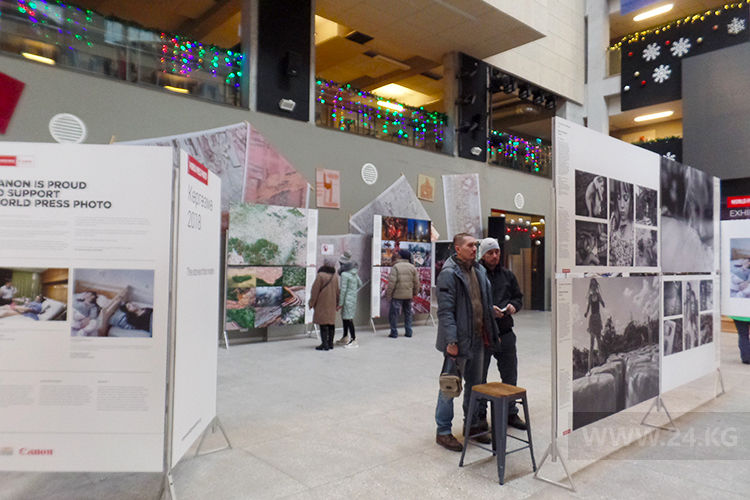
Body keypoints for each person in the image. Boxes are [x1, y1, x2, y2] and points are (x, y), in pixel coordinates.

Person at [434, 233, 500, 452]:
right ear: (457, 248)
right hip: (458, 342)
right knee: (450, 386)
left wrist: (492, 326)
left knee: (476, 386)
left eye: (475, 245)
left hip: (478, 339)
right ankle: (443, 431)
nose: (474, 248)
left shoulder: (479, 270)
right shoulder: (449, 274)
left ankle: (471, 425)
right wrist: (451, 340)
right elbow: (445, 312)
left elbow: (482, 303)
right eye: (470, 245)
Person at [478, 237, 527, 430]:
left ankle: (510, 412)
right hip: (484, 334)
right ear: (483, 255)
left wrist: (513, 306)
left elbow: (518, 297)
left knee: (510, 375)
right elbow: (472, 302)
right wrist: (488, 310)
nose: (494, 256)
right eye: (490, 253)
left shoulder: (508, 275)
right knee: (479, 378)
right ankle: (480, 417)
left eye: (497, 252)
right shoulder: (476, 275)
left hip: (506, 332)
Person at [385, 248, 419, 338]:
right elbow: (416, 282)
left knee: (394, 314)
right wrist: (415, 293)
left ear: (400, 256)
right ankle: (408, 332)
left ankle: (394, 332)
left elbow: (392, 283)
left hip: (397, 295)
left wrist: (389, 295)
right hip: (408, 295)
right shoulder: (412, 267)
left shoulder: (396, 267)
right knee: (408, 314)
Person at [308, 259, 339, 351]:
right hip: (332, 302)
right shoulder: (335, 276)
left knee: (323, 323)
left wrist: (311, 302)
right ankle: (330, 344)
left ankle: (324, 344)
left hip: (322, 303)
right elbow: (337, 291)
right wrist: (337, 303)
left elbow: (315, 291)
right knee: (331, 323)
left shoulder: (320, 275)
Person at [336, 252, 362, 348]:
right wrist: (352, 291)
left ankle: (353, 339)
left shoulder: (344, 274)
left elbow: (343, 290)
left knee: (349, 319)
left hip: (346, 300)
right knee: (346, 318)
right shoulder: (354, 272)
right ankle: (345, 337)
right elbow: (360, 283)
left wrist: (340, 303)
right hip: (352, 298)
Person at [584, 278, 606, 373]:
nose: (593, 287)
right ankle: (589, 368)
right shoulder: (590, 297)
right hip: (592, 319)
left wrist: (602, 302)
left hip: (598, 318)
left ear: (596, 286)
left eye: (594, 285)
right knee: (591, 344)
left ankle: (601, 363)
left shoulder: (598, 295)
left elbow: (602, 303)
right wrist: (586, 313)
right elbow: (588, 307)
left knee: (599, 341)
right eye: (592, 285)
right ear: (590, 287)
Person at [610, 182, 634, 266]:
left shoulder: (640, 224)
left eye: (626, 198)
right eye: (618, 198)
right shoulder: (613, 219)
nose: (621, 205)